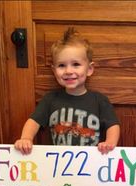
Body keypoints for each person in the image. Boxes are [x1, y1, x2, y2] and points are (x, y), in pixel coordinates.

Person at [14, 27, 120, 155]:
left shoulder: (100, 100)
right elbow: (33, 122)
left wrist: (109, 142)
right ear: (54, 71)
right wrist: (26, 138)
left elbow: (112, 125)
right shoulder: (50, 99)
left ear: (90, 69)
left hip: (91, 164)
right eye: (61, 65)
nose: (68, 71)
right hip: (57, 165)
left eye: (76, 64)